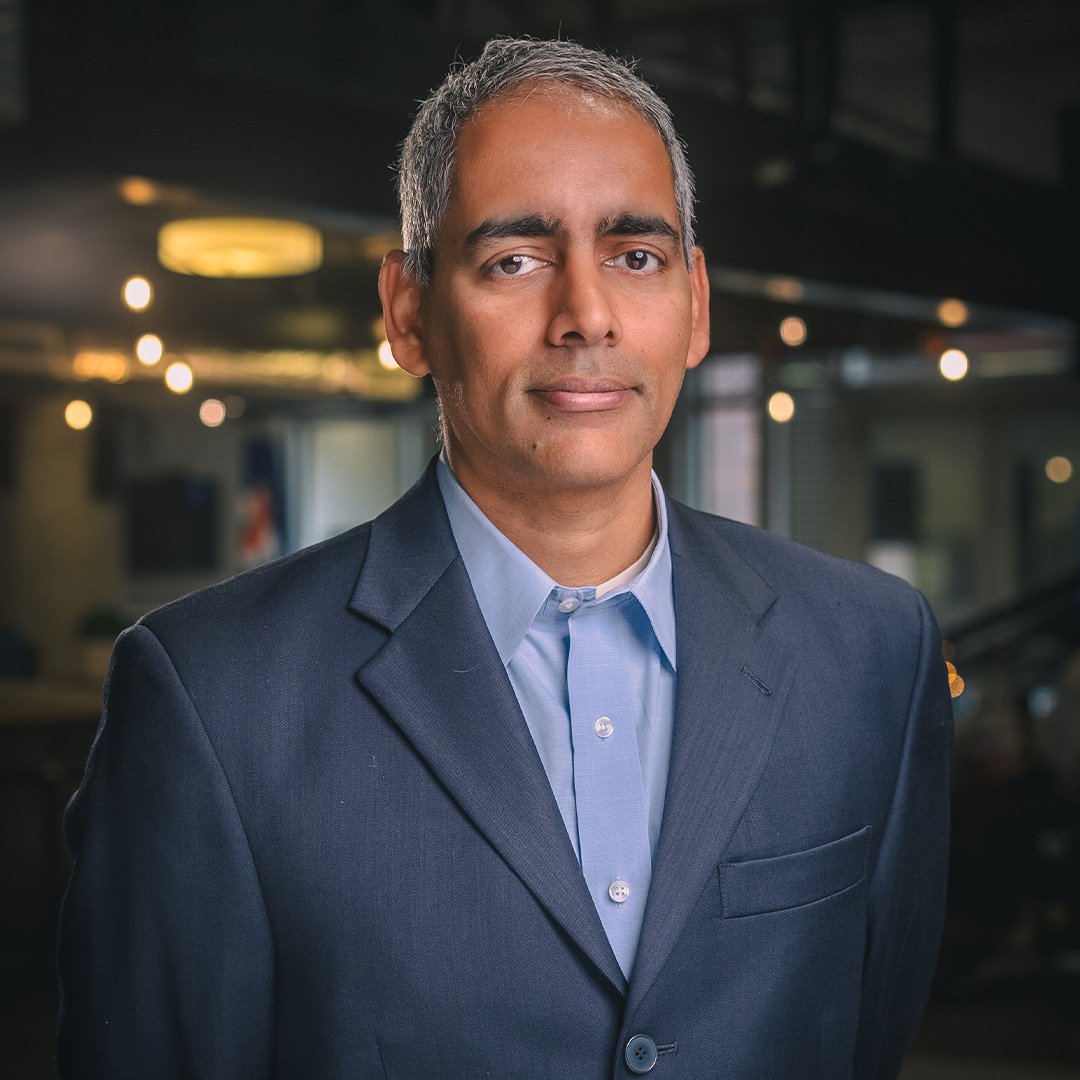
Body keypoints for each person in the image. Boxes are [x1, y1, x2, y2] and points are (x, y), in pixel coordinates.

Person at [57, 37, 952, 1080]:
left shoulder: (872, 654)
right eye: (514, 260)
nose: (586, 316)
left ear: (696, 304)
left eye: (636, 255)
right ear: (409, 313)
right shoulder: (211, 696)